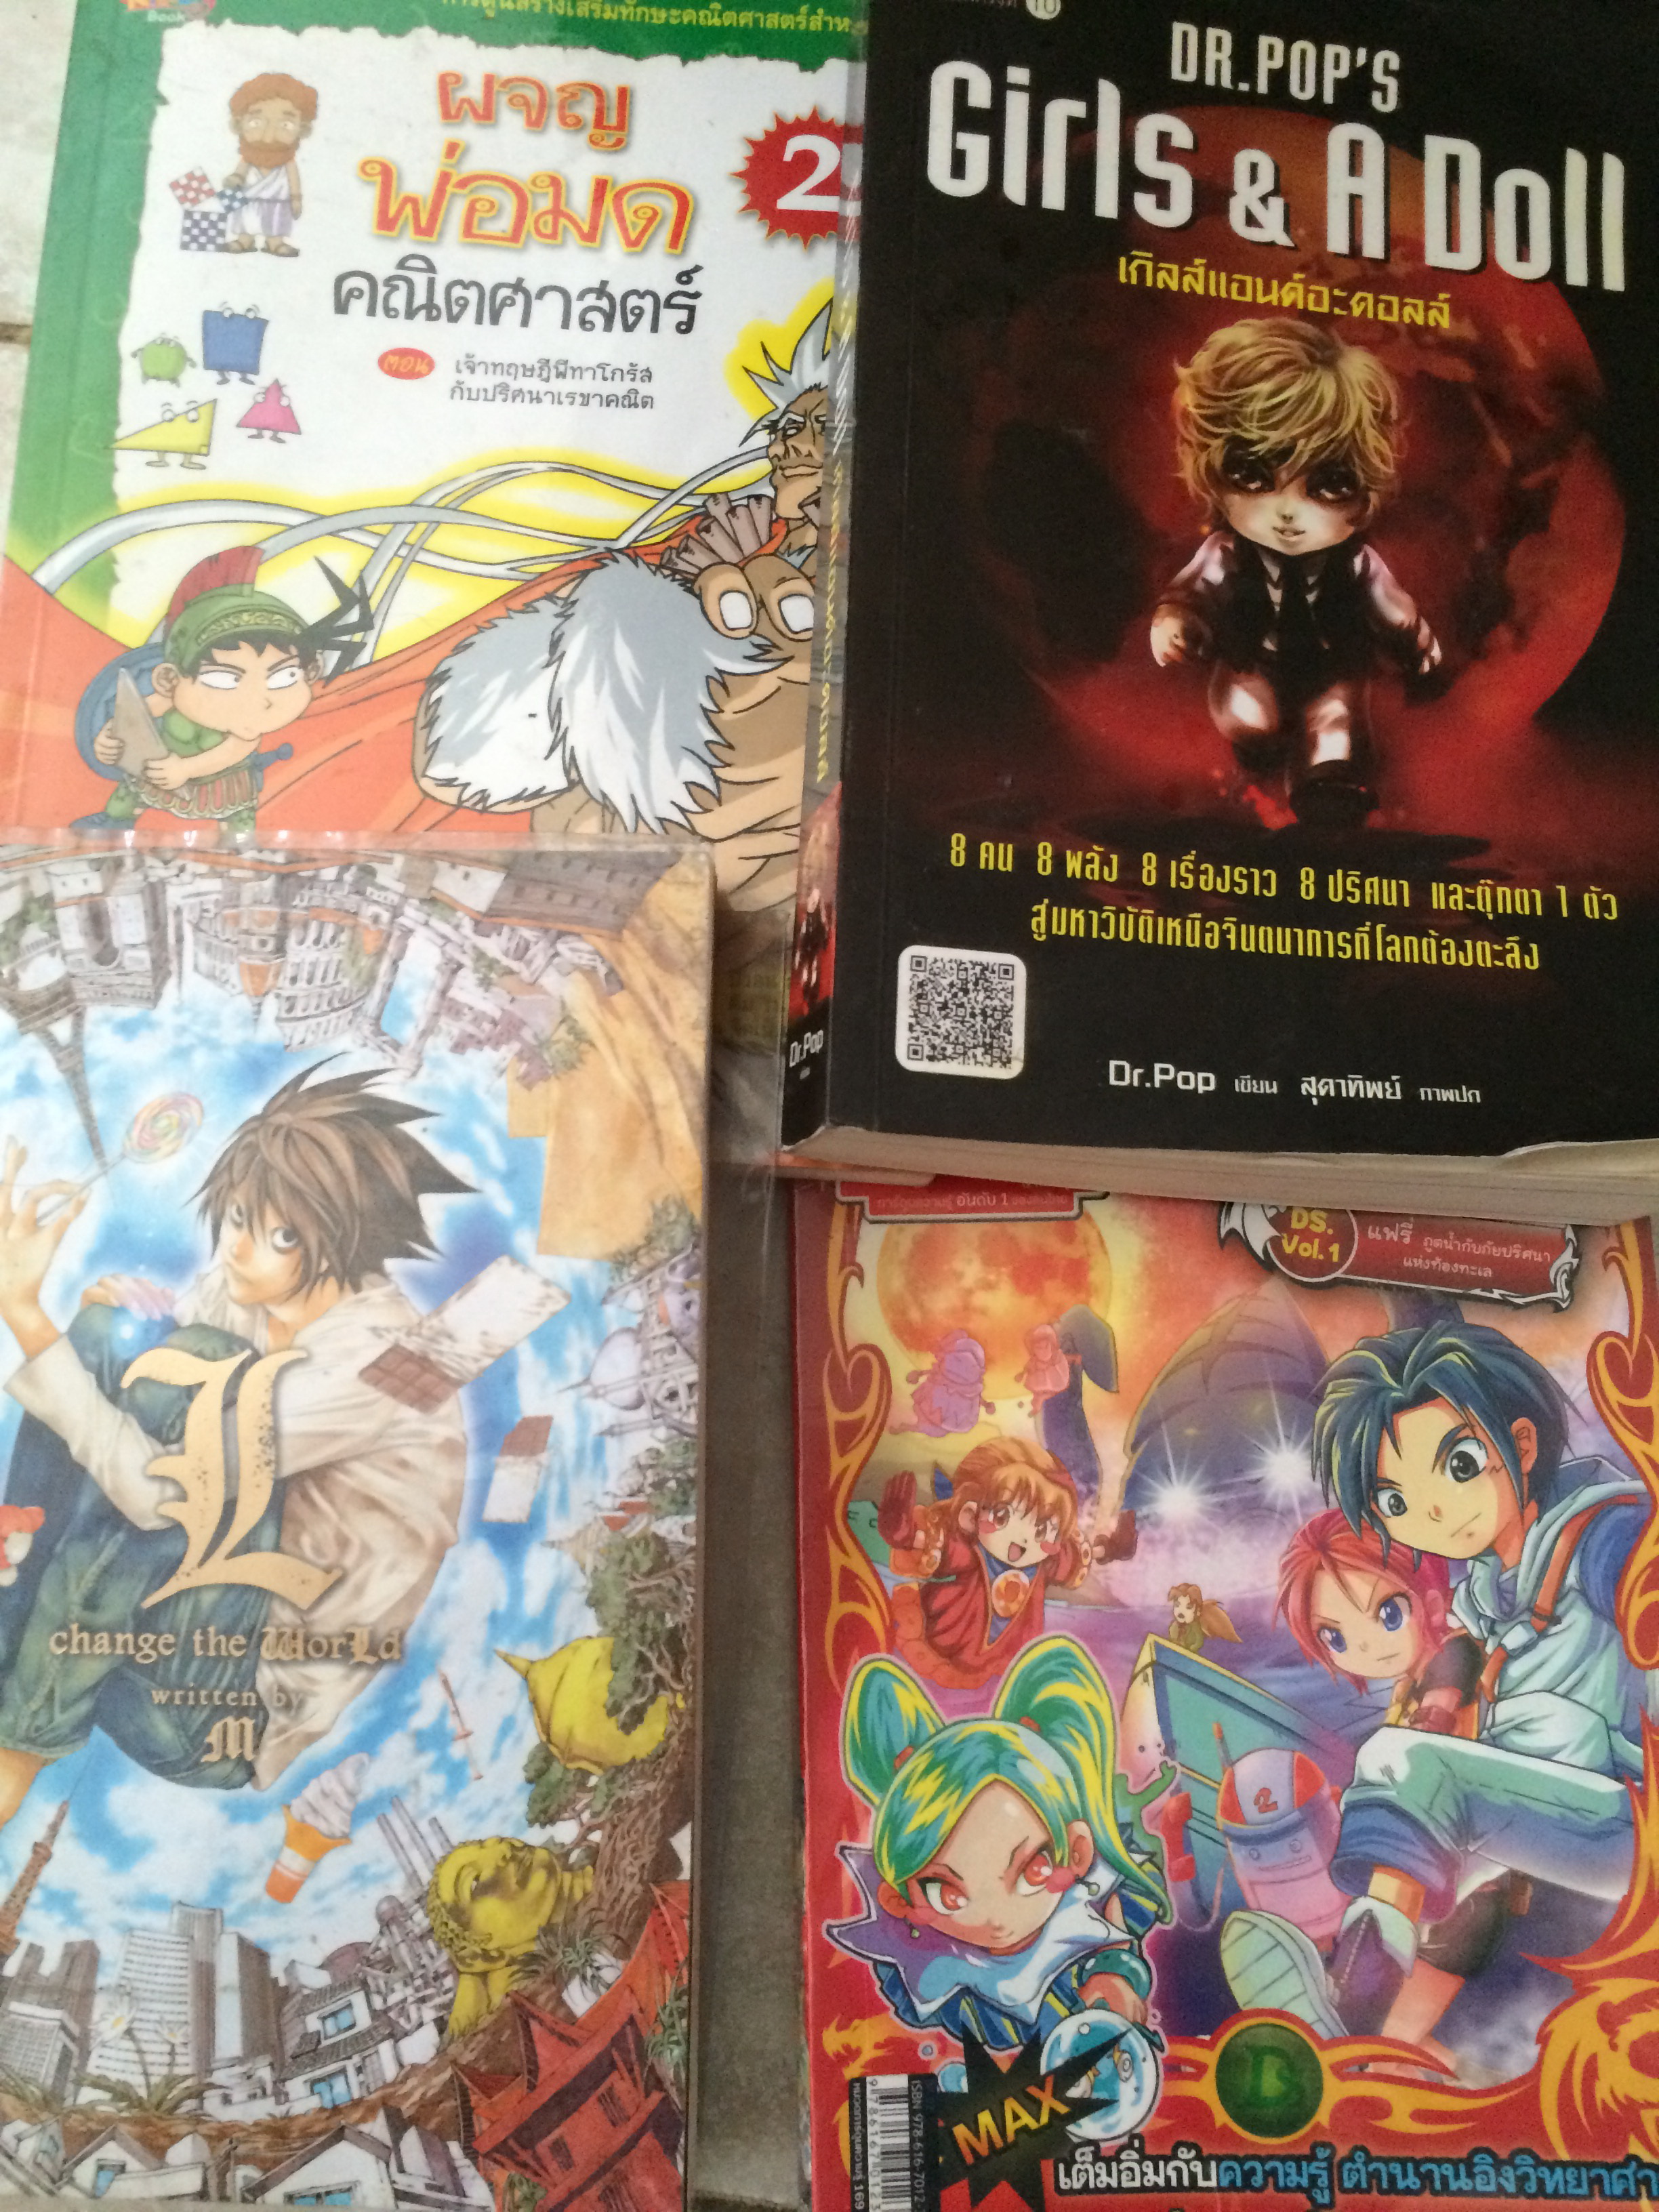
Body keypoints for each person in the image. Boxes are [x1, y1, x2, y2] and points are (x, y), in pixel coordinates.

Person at [0, 1068, 472, 1829]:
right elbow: (126, 1401)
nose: (240, 1250)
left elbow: (160, 1493)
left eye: (283, 1236)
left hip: (221, 1713)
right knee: (115, 1337)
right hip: (155, 1635)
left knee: (196, 1371)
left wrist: (26, 1317)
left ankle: (17, 1750)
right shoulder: (246, 1287)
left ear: (348, 1239)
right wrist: (99, 1332)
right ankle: (9, 1583)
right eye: (239, 1219)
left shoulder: (391, 1364)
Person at [1223, 1317, 1650, 2039]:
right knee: (1425, 1867)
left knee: (1410, 1764)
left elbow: (1639, 1584)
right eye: (1395, 1502)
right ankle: (1355, 2017)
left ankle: (1352, 1997)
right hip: (1559, 1816)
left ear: (1521, 1445)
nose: (1433, 1513)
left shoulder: (1601, 1533)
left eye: (1459, 1465)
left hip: (1630, 1824)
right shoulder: (1486, 1585)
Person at [831, 1636, 1168, 2139]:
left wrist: (1117, 1975)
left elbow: (1115, 1931)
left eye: (1033, 1868)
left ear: (1076, 1852)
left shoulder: (1092, 1900)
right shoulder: (939, 1977)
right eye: (948, 1893)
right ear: (900, 1899)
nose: (993, 1916)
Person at [1151, 317, 1441, 832]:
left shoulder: (1355, 562)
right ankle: (1259, 749)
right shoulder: (1229, 552)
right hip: (1252, 662)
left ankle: (1328, 791)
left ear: (1362, 486)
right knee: (1247, 715)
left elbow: (1392, 608)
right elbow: (1194, 590)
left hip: (1334, 668)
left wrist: (1418, 648)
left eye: (1326, 485)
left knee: (1335, 728)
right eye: (1254, 476)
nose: (1287, 512)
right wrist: (1176, 621)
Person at [878, 1436, 1092, 1689]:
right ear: (971, 1515)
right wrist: (907, 1537)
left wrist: (1110, 1548)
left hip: (1008, 1659)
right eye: (1003, 1516)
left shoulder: (1046, 1563)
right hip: (955, 1643)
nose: (1023, 1537)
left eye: (1043, 1529)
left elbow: (1073, 1560)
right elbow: (943, 1547)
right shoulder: (973, 1554)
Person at [426, 1837, 595, 2036]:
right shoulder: (524, 1997)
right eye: (474, 1882)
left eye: (487, 1844)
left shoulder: (603, 1865)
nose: (504, 1850)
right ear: (481, 1955)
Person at [224, 74, 316, 258]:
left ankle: (275, 242)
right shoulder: (248, 158)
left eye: (286, 124)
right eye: (256, 122)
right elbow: (240, 172)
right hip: (249, 197)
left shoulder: (288, 161)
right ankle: (244, 240)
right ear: (239, 124)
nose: (269, 136)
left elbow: (293, 179)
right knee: (246, 216)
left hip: (277, 199)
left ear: (303, 128)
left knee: (276, 220)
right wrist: (235, 179)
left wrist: (296, 198)